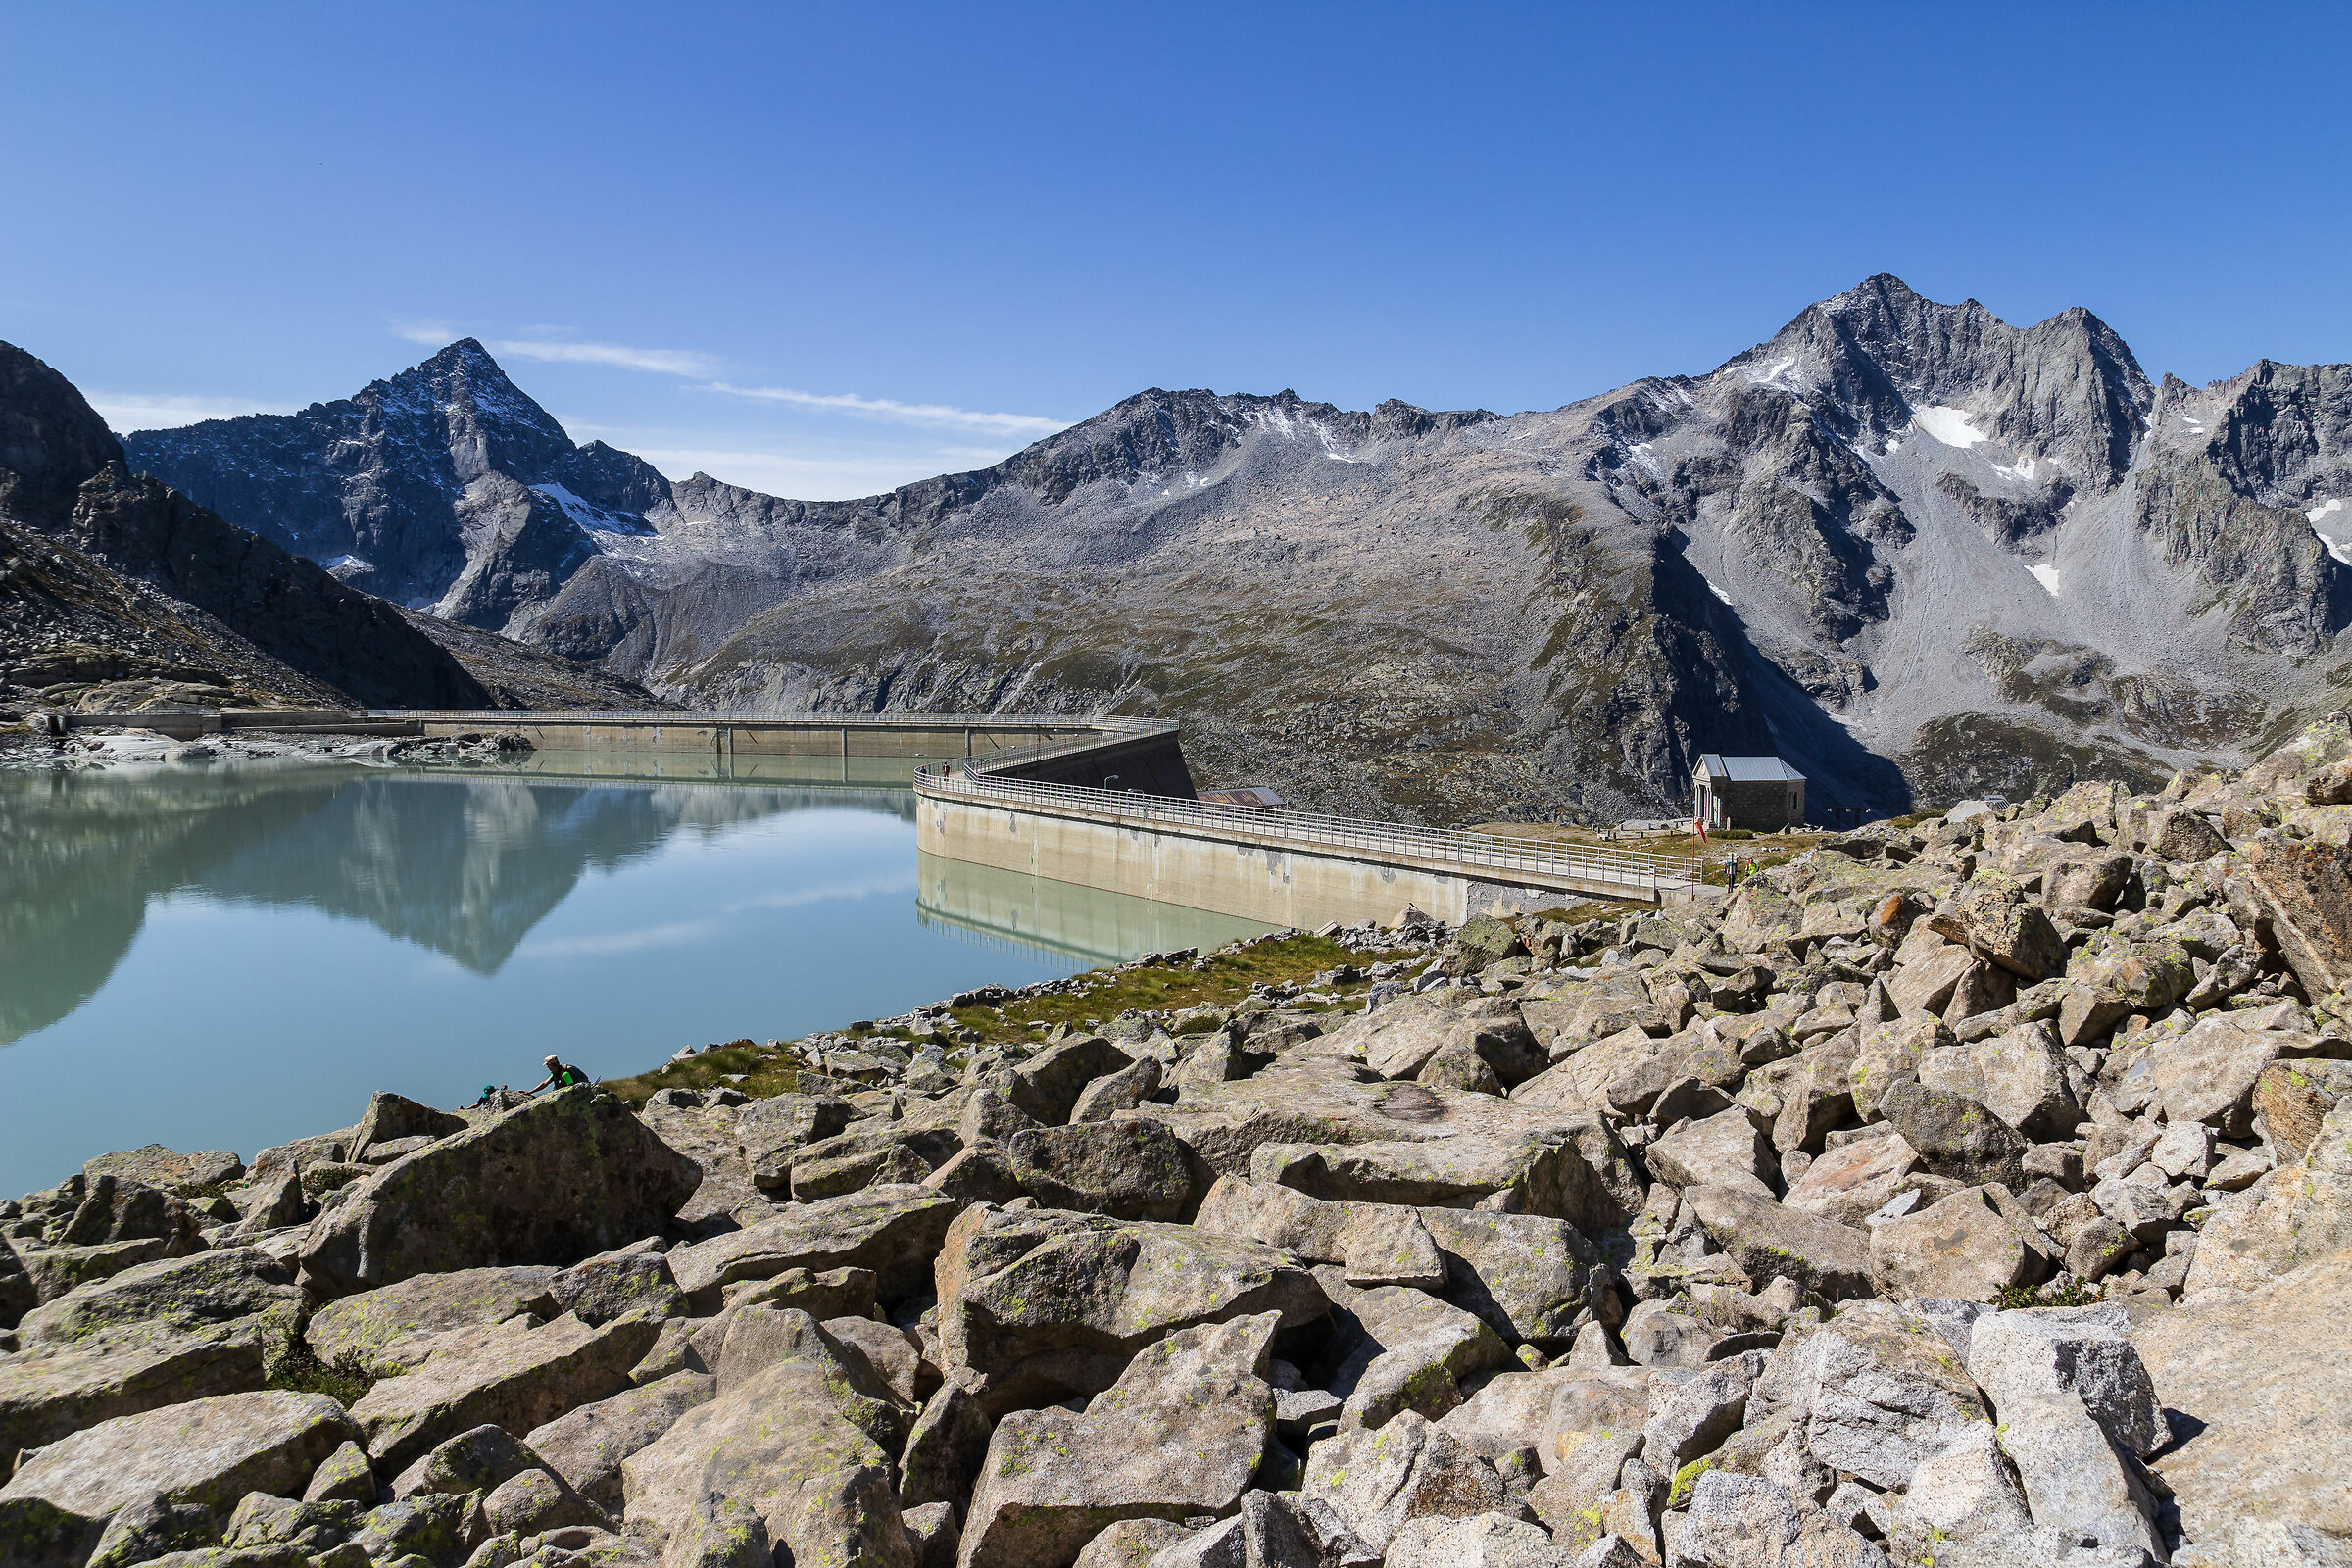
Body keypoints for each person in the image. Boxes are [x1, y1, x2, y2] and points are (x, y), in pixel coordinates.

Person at [525, 1054, 589, 1096]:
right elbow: (544, 1084)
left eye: (547, 1065)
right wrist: (530, 1092)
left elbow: (571, 1087)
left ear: (550, 1065)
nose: (547, 1067)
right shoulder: (554, 1074)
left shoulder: (565, 1074)